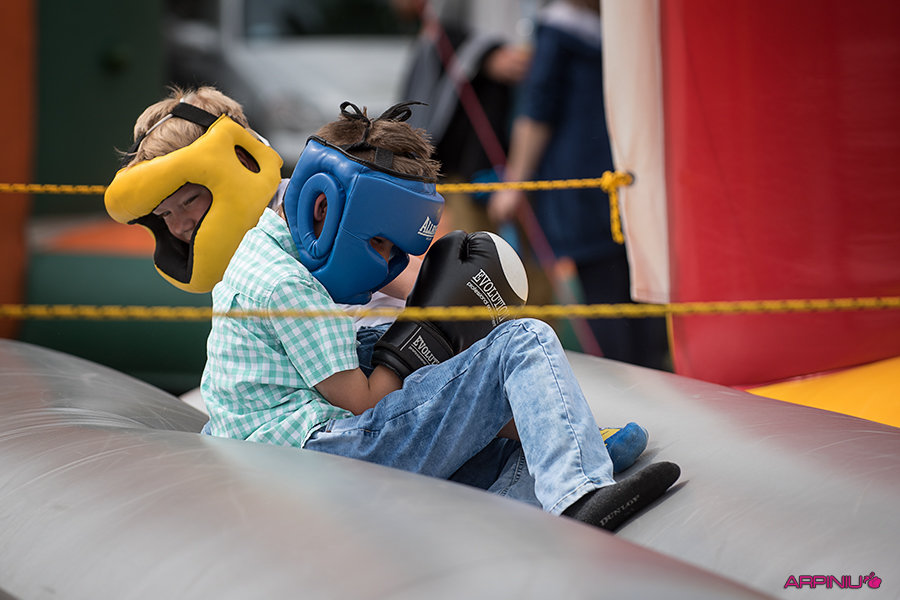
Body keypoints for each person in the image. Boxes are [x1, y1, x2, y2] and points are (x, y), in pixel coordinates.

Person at [199, 100, 680, 532]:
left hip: (291, 462)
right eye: (379, 242)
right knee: (522, 340)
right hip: (319, 459)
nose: (385, 262)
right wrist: (423, 334)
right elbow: (362, 403)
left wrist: (432, 335)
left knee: (422, 372)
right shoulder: (286, 284)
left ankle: (559, 456)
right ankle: (578, 491)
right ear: (322, 205)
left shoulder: (263, 250)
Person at [104, 86, 413, 374]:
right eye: (165, 214)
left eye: (190, 200)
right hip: (328, 371)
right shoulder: (230, 248)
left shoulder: (309, 208)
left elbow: (412, 281)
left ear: (240, 159)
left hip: (378, 351)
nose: (180, 224)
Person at [487, 0, 669, 369]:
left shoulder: (560, 30)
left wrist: (514, 183)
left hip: (588, 188)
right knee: (641, 299)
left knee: (609, 302)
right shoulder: (636, 28)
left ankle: (631, 382)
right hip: (633, 181)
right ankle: (649, 376)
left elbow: (537, 110)